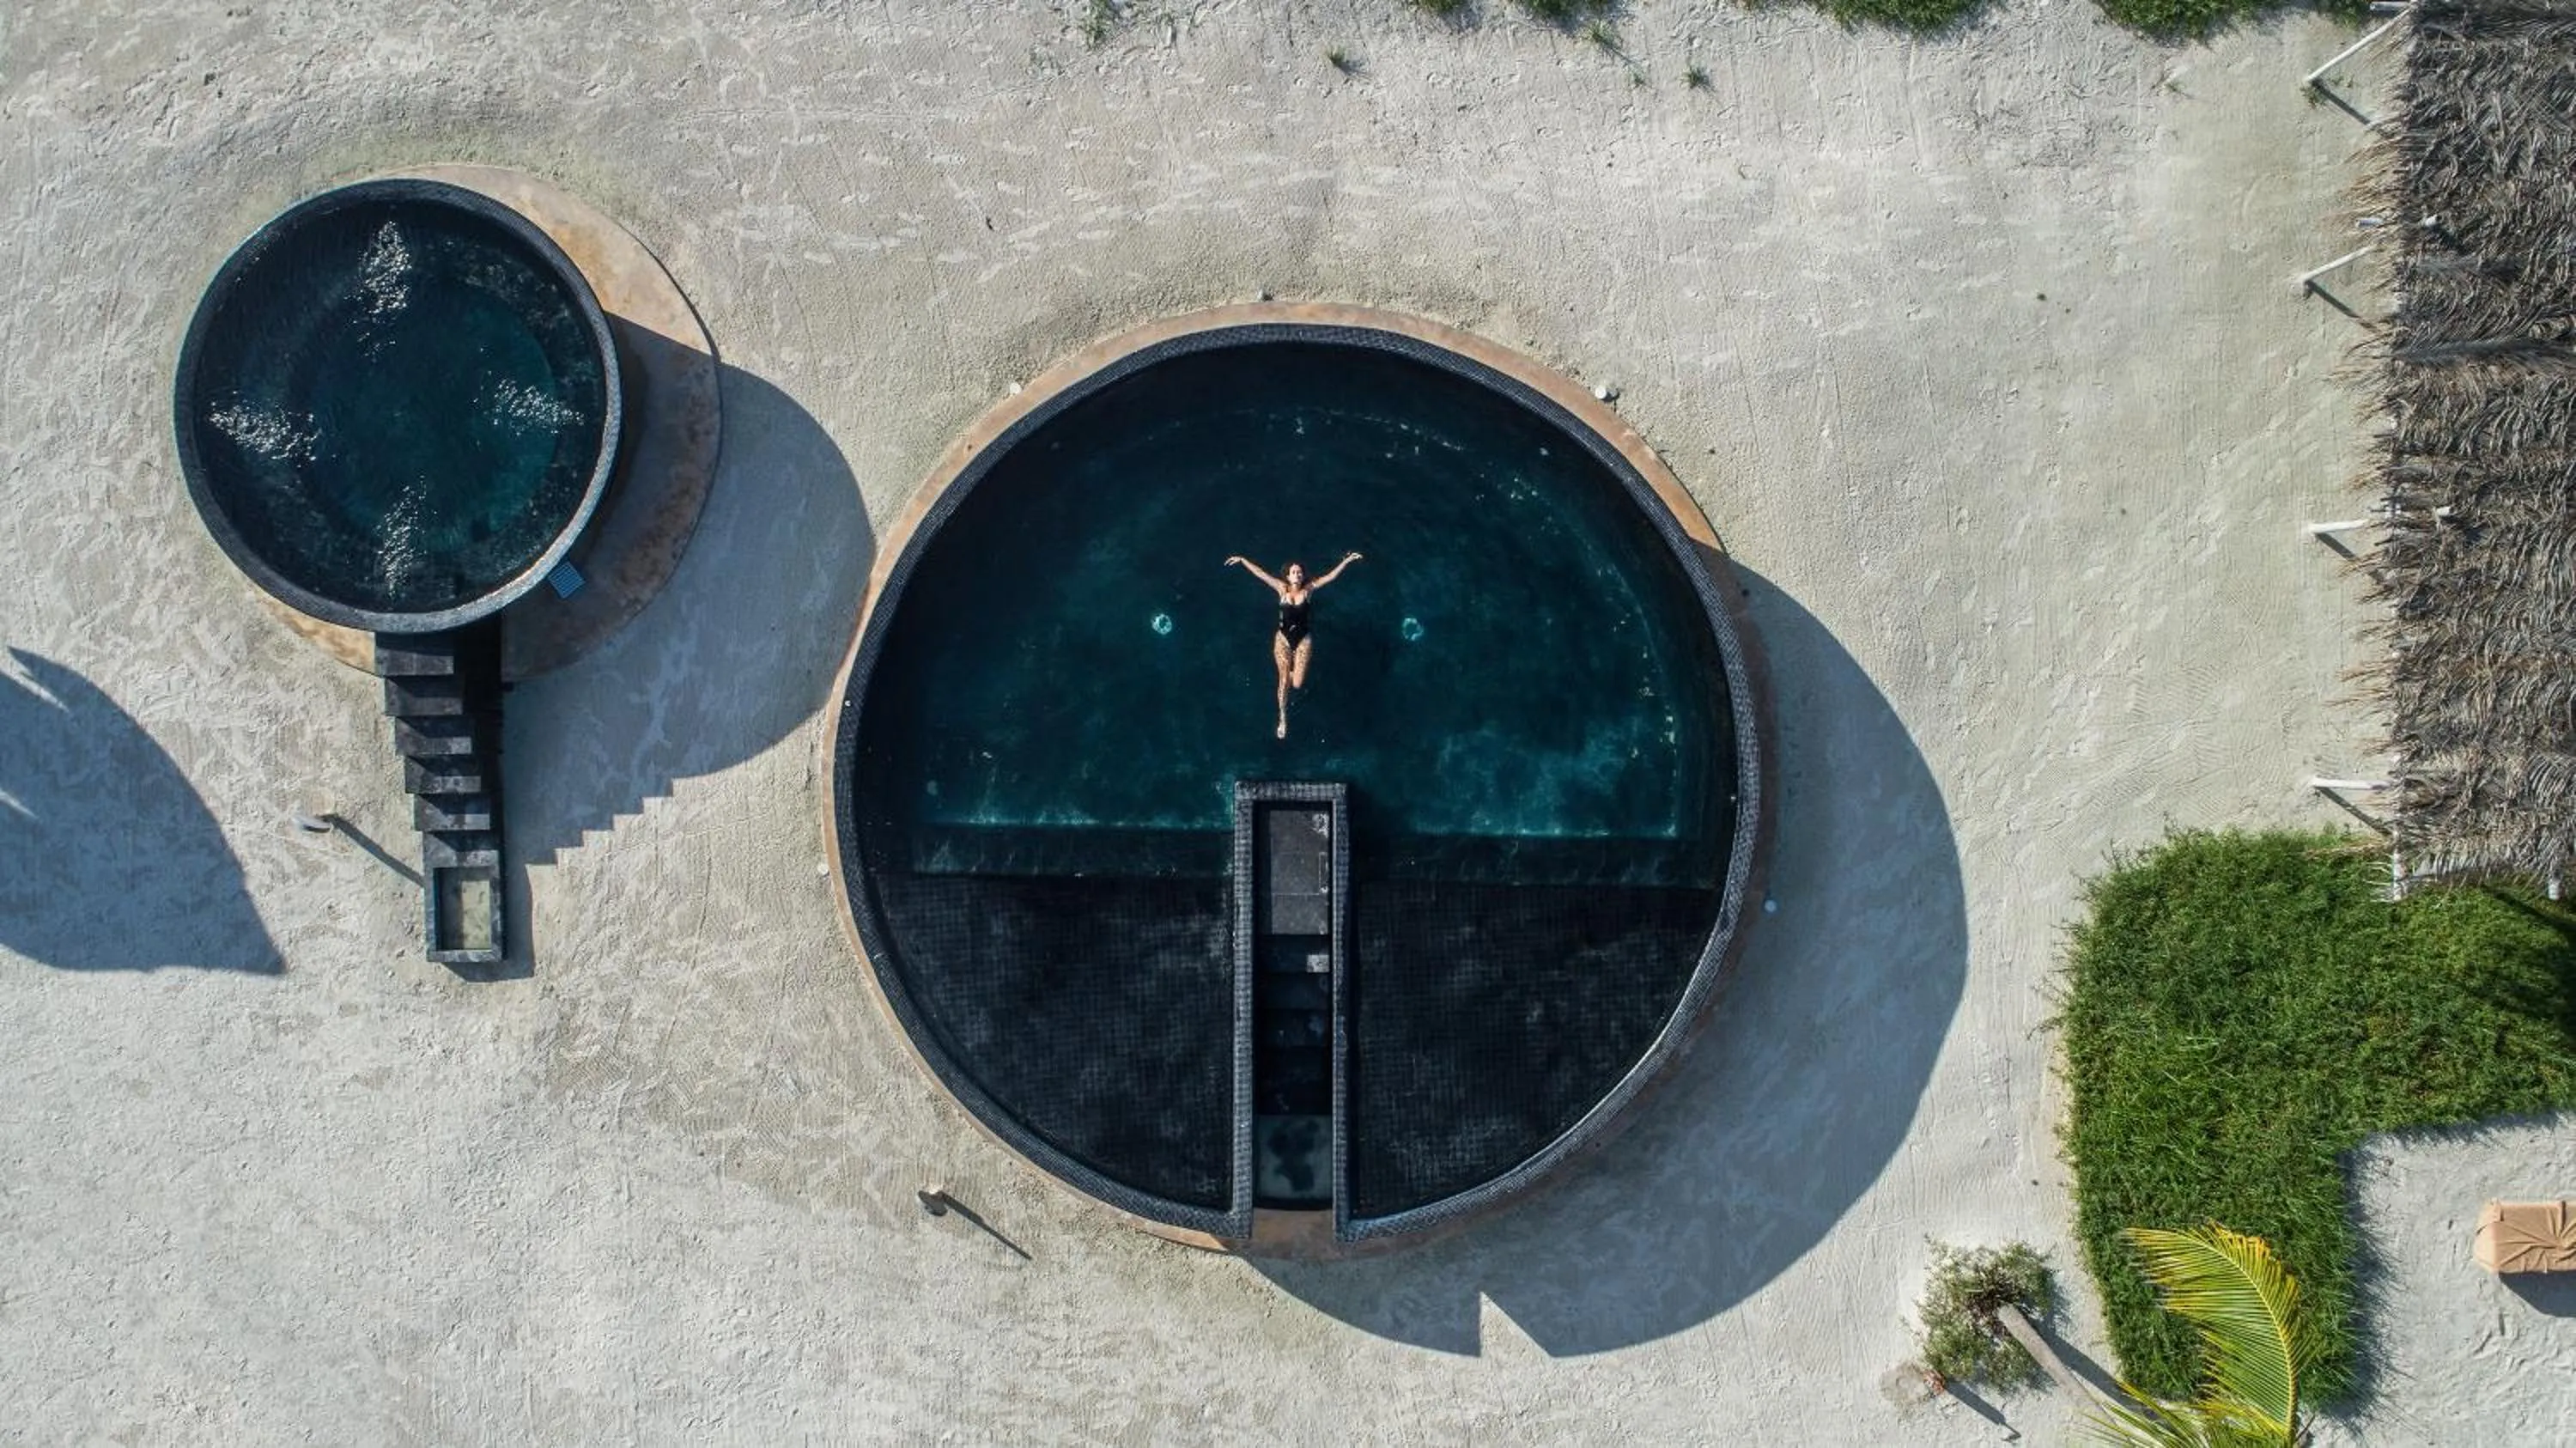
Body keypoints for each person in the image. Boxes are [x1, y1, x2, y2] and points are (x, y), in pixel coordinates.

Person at [1224, 551, 1362, 739]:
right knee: (1283, 682)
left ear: (1303, 575)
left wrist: (1347, 560)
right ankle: (1283, 718)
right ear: (1287, 576)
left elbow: (1331, 576)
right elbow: (1261, 574)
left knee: (1296, 684)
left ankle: (1290, 673)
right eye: (1294, 572)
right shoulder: (1282, 589)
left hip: (1304, 639)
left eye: (1299, 572)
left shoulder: (1309, 589)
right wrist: (1243, 560)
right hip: (1283, 640)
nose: (1297, 575)